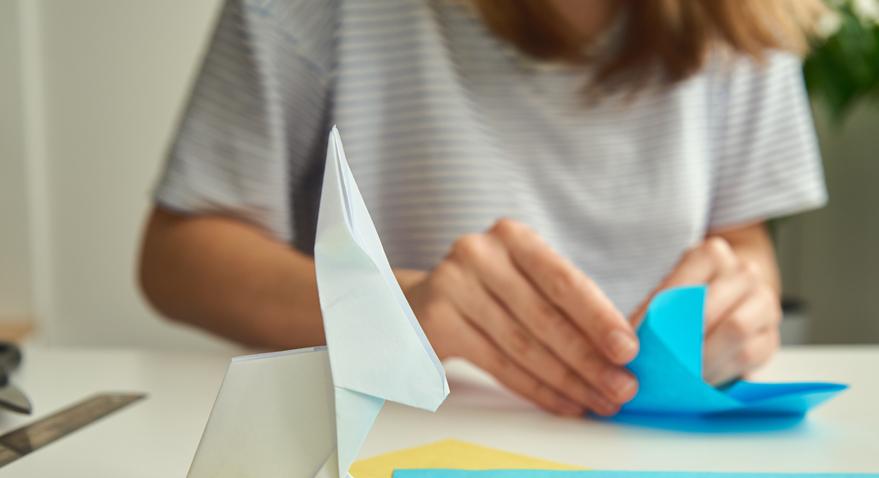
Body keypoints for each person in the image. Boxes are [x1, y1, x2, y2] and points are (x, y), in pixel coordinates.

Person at [140, 0, 827, 418]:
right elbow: (177, 258)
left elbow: (742, 243)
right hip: (400, 441)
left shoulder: (743, 23)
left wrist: (744, 301)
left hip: (663, 463)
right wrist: (394, 309)